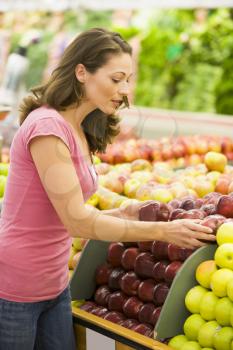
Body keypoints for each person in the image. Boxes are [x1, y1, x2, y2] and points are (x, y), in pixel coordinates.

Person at [0, 28, 215, 350]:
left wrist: (118, 212)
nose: (125, 90)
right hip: (15, 286)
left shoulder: (79, 127)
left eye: (128, 79)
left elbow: (61, 215)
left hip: (54, 285)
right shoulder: (47, 128)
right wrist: (164, 231)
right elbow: (77, 222)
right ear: (82, 72)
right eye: (116, 79)